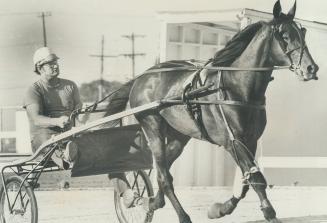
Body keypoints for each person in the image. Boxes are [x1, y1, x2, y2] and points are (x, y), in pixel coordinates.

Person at [23, 47, 146, 209]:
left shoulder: (70, 86)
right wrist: (57, 121)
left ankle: (127, 195)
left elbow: (79, 114)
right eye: (50, 63)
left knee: (105, 154)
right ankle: (67, 154)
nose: (55, 66)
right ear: (40, 67)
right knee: (50, 140)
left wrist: (85, 115)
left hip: (68, 136)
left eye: (56, 62)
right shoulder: (34, 90)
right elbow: (36, 119)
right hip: (43, 138)